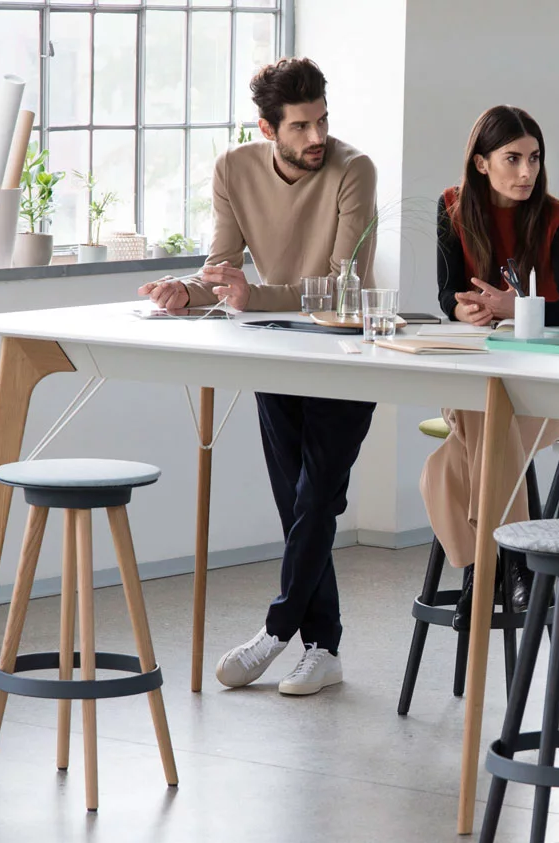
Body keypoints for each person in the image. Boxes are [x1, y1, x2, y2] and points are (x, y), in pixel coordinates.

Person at [138, 57, 378, 697]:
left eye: (322, 120)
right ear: (269, 129)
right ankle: (323, 650)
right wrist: (188, 292)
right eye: (300, 126)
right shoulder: (233, 170)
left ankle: (276, 632)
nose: (315, 137)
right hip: (274, 352)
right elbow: (222, 268)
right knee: (297, 504)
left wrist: (255, 296)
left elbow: (339, 284)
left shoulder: (353, 171)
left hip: (346, 350)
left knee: (318, 497)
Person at [422, 105, 559, 629]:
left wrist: (513, 307)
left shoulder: (556, 219)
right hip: (480, 377)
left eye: (534, 159)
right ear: (480, 163)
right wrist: (462, 309)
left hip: (548, 391)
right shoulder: (450, 208)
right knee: (482, 404)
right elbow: (446, 292)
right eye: (512, 159)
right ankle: (508, 566)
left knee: (444, 466)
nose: (526, 172)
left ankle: (483, 569)